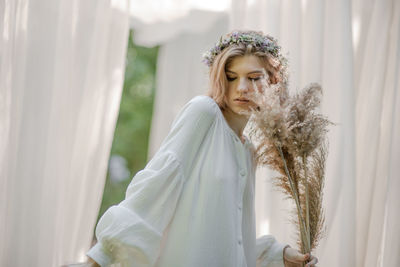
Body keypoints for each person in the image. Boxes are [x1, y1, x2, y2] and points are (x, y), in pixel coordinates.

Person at [85, 30, 318, 267]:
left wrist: (277, 254)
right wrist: (101, 257)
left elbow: (229, 236)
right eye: (231, 77)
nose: (242, 88)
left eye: (254, 77)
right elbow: (156, 185)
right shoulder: (203, 112)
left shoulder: (249, 152)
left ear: (273, 82)